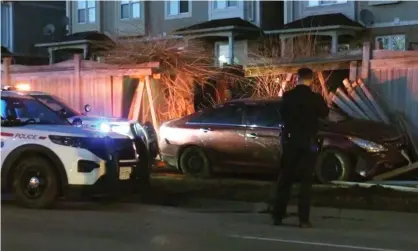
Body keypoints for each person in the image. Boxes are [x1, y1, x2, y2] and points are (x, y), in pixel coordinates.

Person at [272, 67, 329, 228]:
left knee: (285, 179)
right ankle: (303, 219)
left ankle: (278, 215)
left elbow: (281, 114)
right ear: (311, 80)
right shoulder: (314, 98)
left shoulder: (288, 96)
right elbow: (325, 113)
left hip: (290, 142)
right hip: (308, 142)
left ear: (297, 79)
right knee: (306, 182)